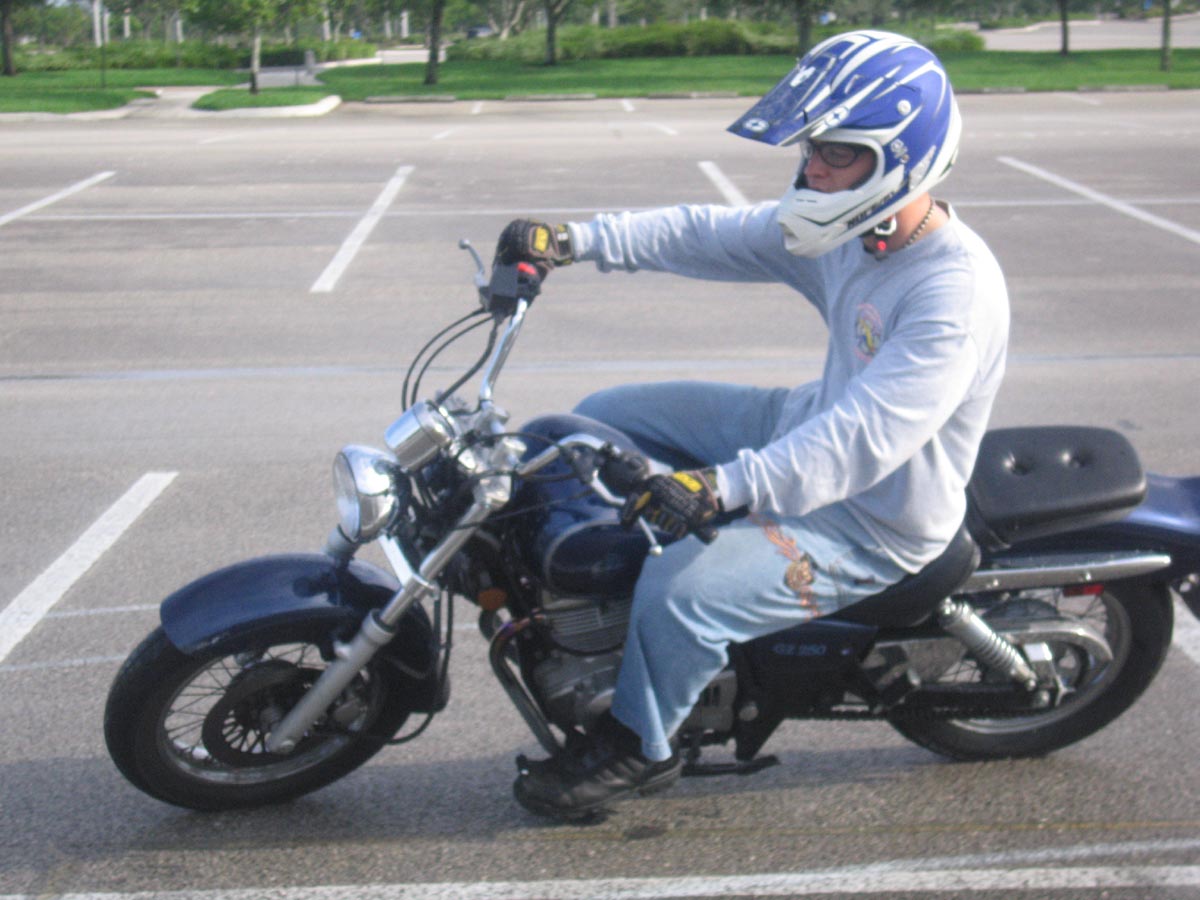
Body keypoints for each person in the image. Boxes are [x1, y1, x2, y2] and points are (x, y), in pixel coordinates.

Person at [494, 30, 1010, 820]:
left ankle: (638, 744)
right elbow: (708, 233)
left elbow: (865, 440)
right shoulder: (854, 230)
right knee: (602, 419)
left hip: (874, 518)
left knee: (681, 589)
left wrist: (717, 489)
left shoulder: (952, 294)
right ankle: (606, 622)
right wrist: (575, 240)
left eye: (837, 153)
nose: (812, 169)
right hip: (801, 422)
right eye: (812, 148)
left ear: (903, 158)